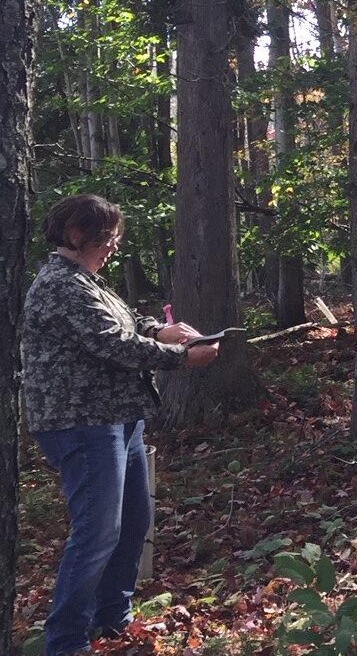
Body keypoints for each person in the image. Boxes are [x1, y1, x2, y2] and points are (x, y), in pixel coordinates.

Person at [22, 194, 220, 655]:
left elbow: (128, 324)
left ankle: (113, 617)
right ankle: (66, 641)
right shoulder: (59, 285)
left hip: (117, 419)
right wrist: (182, 358)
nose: (112, 247)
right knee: (96, 532)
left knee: (133, 522)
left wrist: (160, 330)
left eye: (115, 239)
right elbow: (114, 345)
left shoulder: (88, 282)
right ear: (76, 236)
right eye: (107, 238)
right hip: (81, 423)